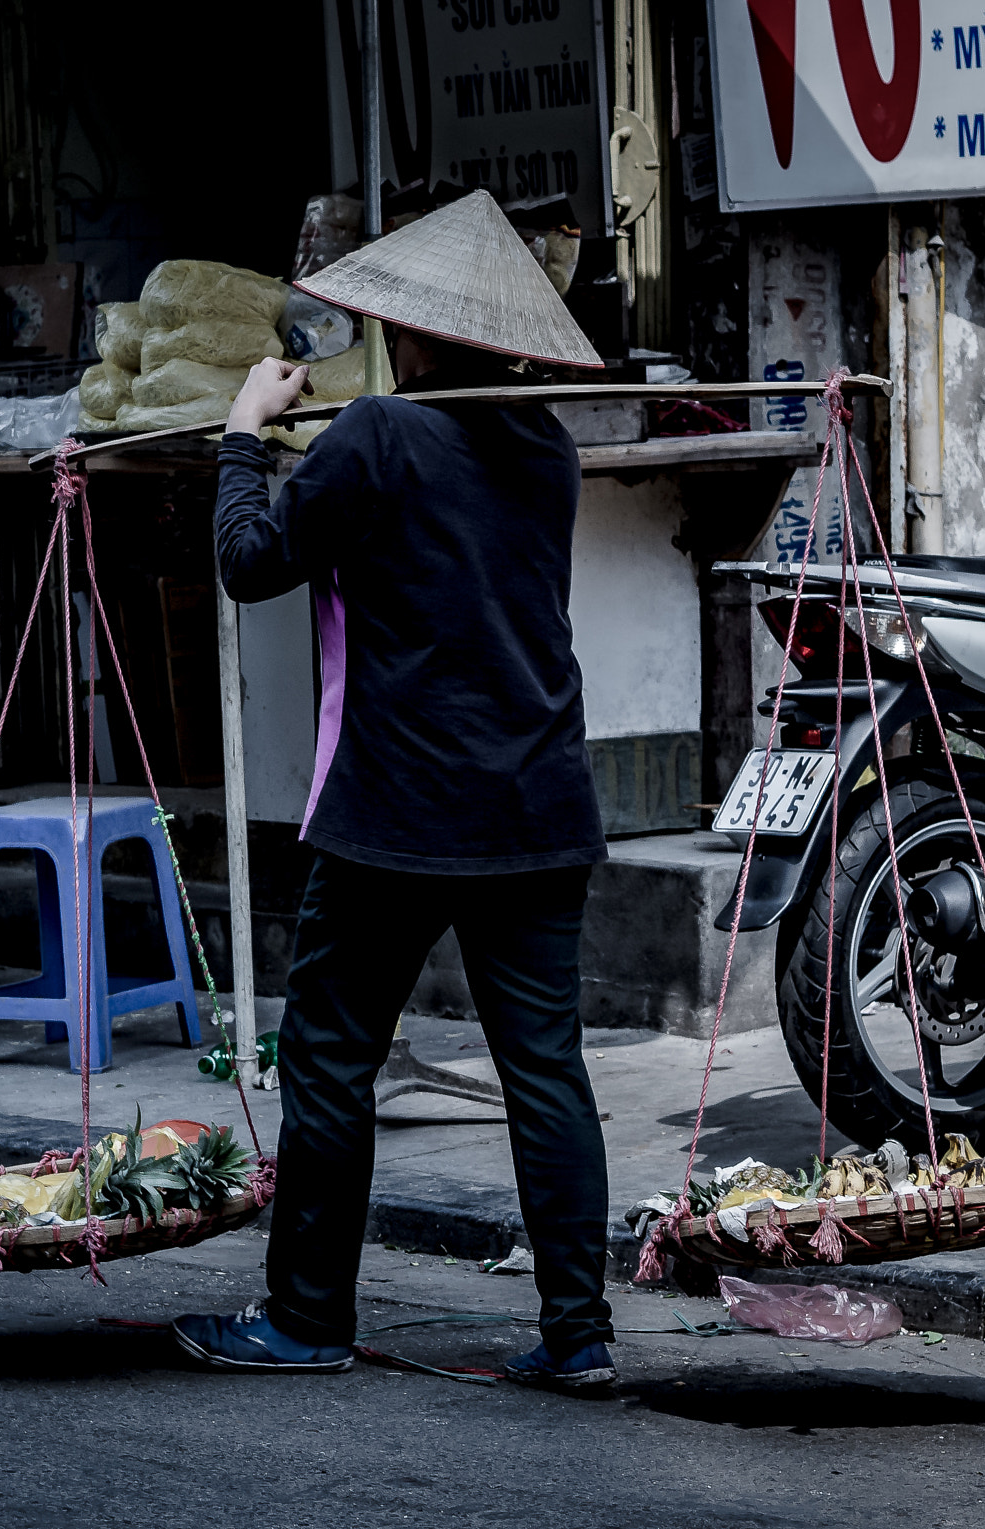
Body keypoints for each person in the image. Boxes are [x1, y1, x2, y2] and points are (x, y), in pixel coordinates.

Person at [170, 191, 618, 1392]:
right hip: (537, 801)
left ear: (411, 333)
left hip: (401, 812)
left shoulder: (374, 435)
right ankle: (579, 1333)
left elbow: (250, 562)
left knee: (326, 1055)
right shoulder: (545, 444)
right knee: (546, 1071)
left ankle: (305, 1312)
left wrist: (241, 434)